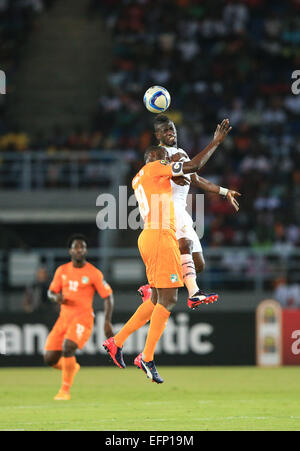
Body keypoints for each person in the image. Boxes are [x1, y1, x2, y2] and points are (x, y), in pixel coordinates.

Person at [103, 119, 232, 384]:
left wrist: (219, 189)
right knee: (170, 299)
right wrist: (216, 142)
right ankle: (146, 357)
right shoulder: (155, 168)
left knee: (159, 298)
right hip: (161, 233)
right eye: (164, 158)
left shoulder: (141, 175)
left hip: (151, 235)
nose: (168, 160)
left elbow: (190, 173)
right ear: (154, 158)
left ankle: (117, 341)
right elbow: (192, 166)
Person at [140, 114, 241, 309]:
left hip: (180, 209)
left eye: (172, 129)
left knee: (198, 264)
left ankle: (153, 285)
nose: (170, 132)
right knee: (185, 246)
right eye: (165, 130)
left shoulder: (180, 152)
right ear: (157, 135)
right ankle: (194, 294)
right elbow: (193, 165)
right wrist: (215, 142)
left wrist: (224, 191)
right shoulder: (157, 156)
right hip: (168, 207)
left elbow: (196, 178)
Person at [44, 234, 114, 400]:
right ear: (70, 250)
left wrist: (107, 321)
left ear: (85, 250)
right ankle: (71, 367)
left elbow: (108, 296)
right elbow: (51, 292)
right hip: (63, 319)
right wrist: (56, 298)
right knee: (50, 358)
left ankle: (64, 391)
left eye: (82, 247)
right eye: (76, 247)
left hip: (82, 319)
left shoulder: (93, 273)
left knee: (68, 347)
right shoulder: (62, 271)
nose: (79, 250)